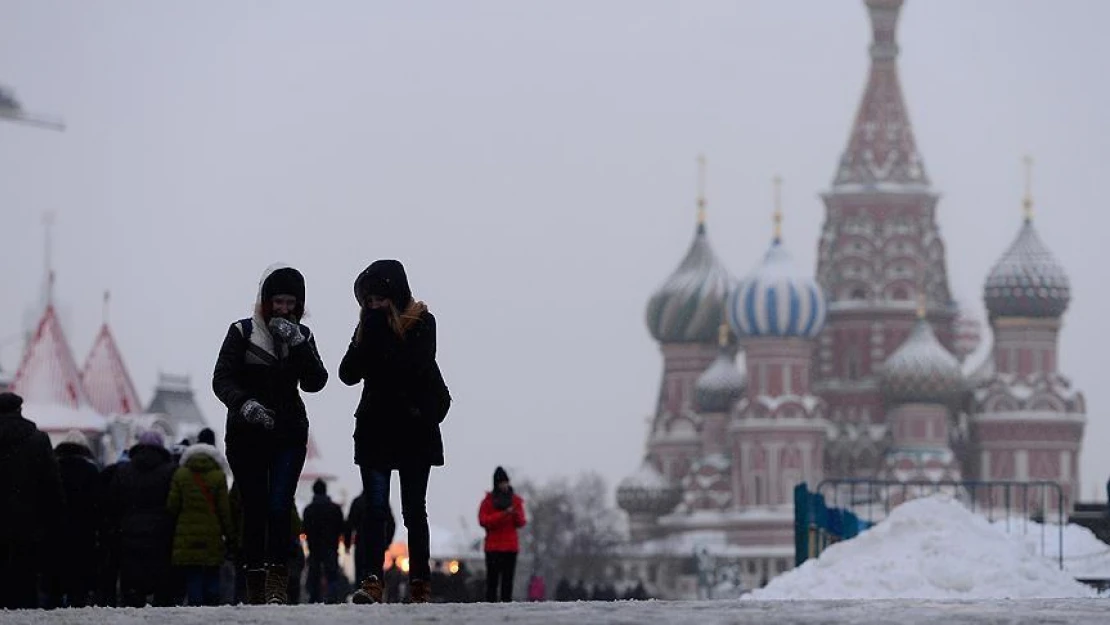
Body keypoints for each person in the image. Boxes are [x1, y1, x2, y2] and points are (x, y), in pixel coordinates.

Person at [212, 263, 328, 604]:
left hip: (288, 433)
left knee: (279, 505)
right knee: (255, 506)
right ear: (265, 302)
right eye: (277, 302)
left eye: (290, 303)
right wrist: (244, 404)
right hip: (246, 434)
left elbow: (316, 382)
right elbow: (221, 378)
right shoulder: (242, 332)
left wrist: (299, 345)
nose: (283, 309)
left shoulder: (303, 337)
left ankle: (278, 581)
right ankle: (254, 583)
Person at [343, 260, 451, 605]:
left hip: (413, 431)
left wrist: (382, 339)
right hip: (375, 429)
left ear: (395, 295)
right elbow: (347, 373)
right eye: (367, 301)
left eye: (379, 299)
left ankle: (420, 582)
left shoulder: (422, 321)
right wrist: (369, 336)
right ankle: (372, 581)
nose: (373, 306)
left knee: (413, 511)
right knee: (374, 510)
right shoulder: (366, 329)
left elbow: (413, 366)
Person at [0, 392, 64, 609]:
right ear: (20, 410)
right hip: (28, 525)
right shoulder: (38, 440)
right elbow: (51, 485)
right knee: (25, 583)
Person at [106, 430, 177, 607]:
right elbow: (174, 504)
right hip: (161, 535)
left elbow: (113, 503)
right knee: (162, 590)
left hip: (129, 534)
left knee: (132, 589)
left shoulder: (123, 470)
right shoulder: (170, 471)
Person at [166, 431, 234, 606]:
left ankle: (196, 609)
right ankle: (212, 606)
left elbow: (172, 506)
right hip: (212, 533)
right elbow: (224, 510)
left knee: (193, 573)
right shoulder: (218, 476)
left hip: (186, 533)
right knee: (212, 571)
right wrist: (230, 535)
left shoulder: (181, 474)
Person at [478, 466, 526, 602]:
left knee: (507, 581)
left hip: (510, 548)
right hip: (493, 548)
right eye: (501, 482)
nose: (504, 485)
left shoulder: (516, 501)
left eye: (506, 482)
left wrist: (514, 514)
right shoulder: (487, 502)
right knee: (492, 582)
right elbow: (483, 520)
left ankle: (507, 606)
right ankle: (490, 607)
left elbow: (521, 522)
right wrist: (503, 514)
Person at [303, 478, 344, 603]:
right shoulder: (335, 509)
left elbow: (305, 529)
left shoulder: (308, 509)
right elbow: (341, 527)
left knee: (314, 574)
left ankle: (314, 597)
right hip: (331, 546)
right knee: (332, 575)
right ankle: (332, 597)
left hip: (314, 547)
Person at [344, 491, 397, 585]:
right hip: (378, 542)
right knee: (376, 570)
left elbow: (349, 525)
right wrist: (387, 542)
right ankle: (375, 593)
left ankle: (361, 592)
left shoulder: (357, 502)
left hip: (360, 542)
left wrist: (347, 544)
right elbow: (391, 524)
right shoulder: (382, 501)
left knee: (360, 571)